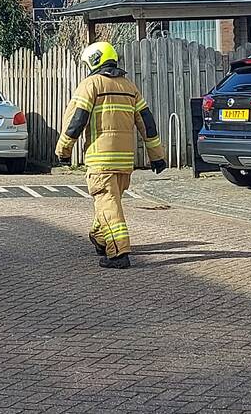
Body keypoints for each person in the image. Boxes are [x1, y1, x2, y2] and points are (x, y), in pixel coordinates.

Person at [55, 41, 167, 269]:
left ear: (94, 61)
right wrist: (157, 156)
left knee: (107, 202)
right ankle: (100, 238)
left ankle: (118, 253)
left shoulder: (90, 85)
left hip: (100, 160)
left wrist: (63, 150)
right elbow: (147, 123)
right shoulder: (130, 87)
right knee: (110, 201)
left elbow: (75, 121)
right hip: (124, 162)